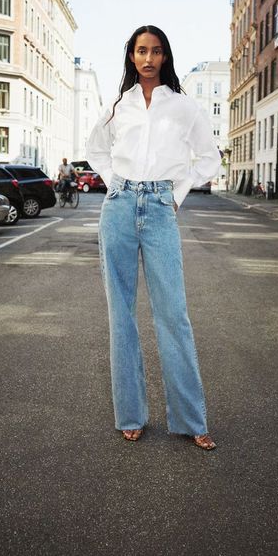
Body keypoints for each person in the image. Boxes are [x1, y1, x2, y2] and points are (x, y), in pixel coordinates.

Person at [86, 25, 221, 450]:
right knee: (120, 315)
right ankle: (130, 414)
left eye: (156, 51)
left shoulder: (183, 106)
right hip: (120, 207)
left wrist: (175, 195)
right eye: (141, 51)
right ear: (131, 56)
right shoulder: (118, 106)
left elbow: (209, 158)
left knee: (173, 315)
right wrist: (114, 184)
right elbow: (96, 149)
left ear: (165, 57)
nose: (148, 58)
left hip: (162, 207)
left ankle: (190, 420)